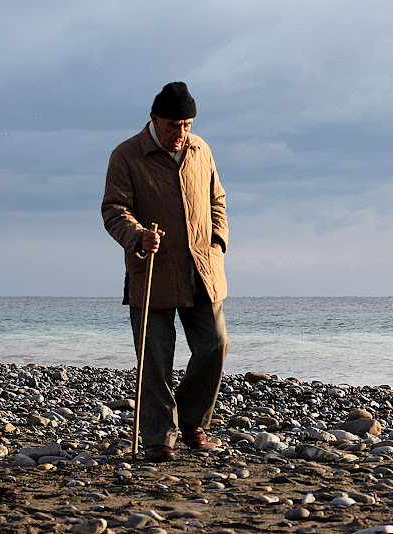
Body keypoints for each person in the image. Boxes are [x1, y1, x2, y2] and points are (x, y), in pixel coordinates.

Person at [101, 82, 230, 462]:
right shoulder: (125, 155)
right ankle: (159, 437)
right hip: (151, 268)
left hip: (202, 268)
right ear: (154, 118)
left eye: (187, 124)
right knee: (155, 358)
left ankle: (191, 422)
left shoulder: (201, 149)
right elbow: (113, 209)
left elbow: (217, 198)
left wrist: (218, 241)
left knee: (215, 345)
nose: (181, 133)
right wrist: (137, 236)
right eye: (175, 125)